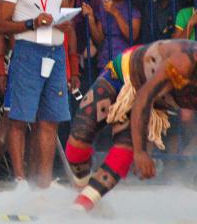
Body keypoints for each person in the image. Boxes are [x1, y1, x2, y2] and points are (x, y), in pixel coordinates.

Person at [65, 40, 197, 211]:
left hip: (154, 101)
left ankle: (82, 205)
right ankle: (83, 191)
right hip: (123, 76)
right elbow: (143, 97)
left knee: (125, 149)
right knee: (78, 142)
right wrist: (141, 151)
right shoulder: (184, 61)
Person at [0, 0, 75, 188]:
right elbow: (0, 25)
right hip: (28, 51)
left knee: (50, 120)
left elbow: (64, 17)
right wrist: (31, 24)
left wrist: (64, 24)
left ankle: (44, 181)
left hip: (55, 51)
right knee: (20, 118)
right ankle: (19, 179)